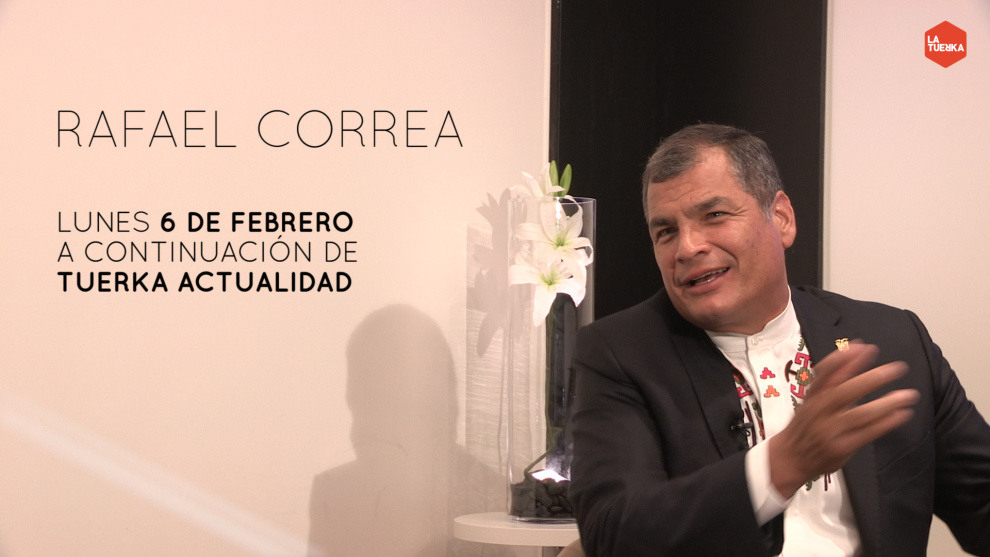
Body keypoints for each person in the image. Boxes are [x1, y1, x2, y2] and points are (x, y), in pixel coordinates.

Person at [568, 123, 990, 557]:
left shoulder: (891, 338)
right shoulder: (621, 353)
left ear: (782, 219)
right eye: (666, 232)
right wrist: (780, 465)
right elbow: (612, 532)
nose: (687, 248)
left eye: (714, 215)